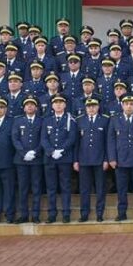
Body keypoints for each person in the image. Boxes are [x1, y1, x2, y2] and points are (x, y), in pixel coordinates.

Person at [107, 95, 133, 221]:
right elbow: (111, 140)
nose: (129, 106)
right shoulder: (115, 119)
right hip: (120, 160)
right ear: (122, 105)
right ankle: (121, 212)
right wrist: (112, 158)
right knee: (121, 188)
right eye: (126, 104)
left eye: (131, 104)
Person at [41, 94, 77, 223]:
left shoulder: (70, 119)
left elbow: (72, 138)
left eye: (61, 102)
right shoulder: (47, 120)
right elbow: (43, 138)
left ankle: (66, 213)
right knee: (51, 188)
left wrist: (61, 150)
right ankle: (52, 214)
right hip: (50, 158)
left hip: (64, 158)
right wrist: (51, 151)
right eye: (56, 102)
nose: (58, 105)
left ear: (65, 105)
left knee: (65, 187)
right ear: (52, 105)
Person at [74, 97, 110, 222]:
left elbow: (108, 142)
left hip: (100, 160)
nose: (91, 108)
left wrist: (106, 159)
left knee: (100, 188)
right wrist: (75, 160)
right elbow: (76, 143)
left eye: (94, 106)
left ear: (98, 107)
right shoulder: (79, 120)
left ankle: (100, 213)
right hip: (83, 160)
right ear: (85, 108)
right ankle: (84, 213)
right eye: (89, 106)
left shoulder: (105, 120)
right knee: (84, 189)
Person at [11, 95, 44, 224]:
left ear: (36, 107)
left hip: (36, 159)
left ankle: (35, 214)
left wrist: (35, 152)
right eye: (27, 105)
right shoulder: (18, 121)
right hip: (21, 159)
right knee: (22, 188)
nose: (29, 106)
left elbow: (43, 138)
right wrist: (23, 152)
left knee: (36, 187)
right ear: (24, 108)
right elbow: (15, 138)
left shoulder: (41, 121)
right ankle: (23, 214)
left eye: (32, 104)